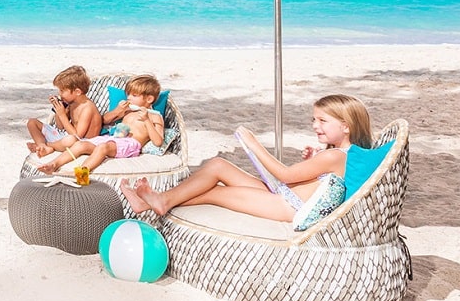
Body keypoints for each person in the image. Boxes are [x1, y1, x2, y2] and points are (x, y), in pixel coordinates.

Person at [121, 94, 374, 221]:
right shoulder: (338, 154)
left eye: (322, 121)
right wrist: (312, 161)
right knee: (218, 165)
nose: (315, 125)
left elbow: (285, 174)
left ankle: (159, 202)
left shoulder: (336, 155)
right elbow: (309, 181)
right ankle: (158, 200)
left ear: (346, 126)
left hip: (288, 207)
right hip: (284, 194)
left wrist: (254, 144)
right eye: (314, 120)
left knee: (215, 193)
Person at [35, 74, 166, 174]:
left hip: (131, 144)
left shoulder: (154, 116)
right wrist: (118, 111)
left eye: (134, 95)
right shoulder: (128, 110)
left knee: (103, 148)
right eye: (128, 95)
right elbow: (105, 120)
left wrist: (146, 120)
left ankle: (81, 174)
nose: (129, 98)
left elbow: (158, 141)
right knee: (81, 144)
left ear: (149, 99)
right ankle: (54, 164)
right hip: (112, 139)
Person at [25, 65, 103, 158]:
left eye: (62, 91)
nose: (60, 94)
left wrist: (62, 115)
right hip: (65, 138)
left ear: (77, 92)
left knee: (70, 140)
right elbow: (60, 126)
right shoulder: (72, 103)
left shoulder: (87, 108)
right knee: (32, 123)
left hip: (81, 143)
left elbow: (77, 136)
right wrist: (59, 111)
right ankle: (42, 146)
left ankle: (48, 146)